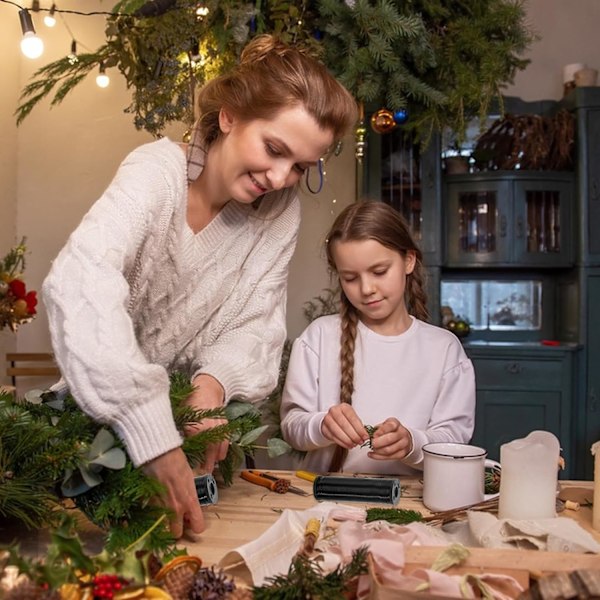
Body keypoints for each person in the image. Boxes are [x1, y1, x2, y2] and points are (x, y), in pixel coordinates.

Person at [42, 34, 357, 537]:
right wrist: (151, 431)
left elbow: (255, 324)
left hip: (192, 437)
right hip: (90, 428)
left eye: (299, 166)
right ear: (229, 114)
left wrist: (210, 387)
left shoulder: (278, 212)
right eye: (274, 149)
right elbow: (81, 282)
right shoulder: (156, 174)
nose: (280, 178)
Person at [280, 201, 475, 475]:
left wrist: (412, 442)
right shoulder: (319, 337)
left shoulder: (444, 349)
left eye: (379, 272)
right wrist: (322, 425)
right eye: (350, 278)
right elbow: (292, 427)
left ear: (408, 260)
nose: (367, 289)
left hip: (410, 501)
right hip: (326, 498)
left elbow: (455, 437)